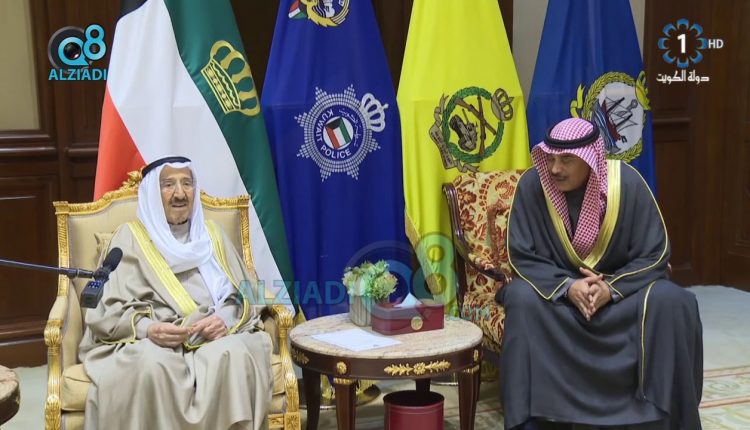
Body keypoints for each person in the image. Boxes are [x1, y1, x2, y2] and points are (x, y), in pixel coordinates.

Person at [495, 118, 703, 430]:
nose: (555, 169)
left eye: (566, 160)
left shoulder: (627, 184)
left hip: (621, 294)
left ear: (591, 158)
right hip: (558, 297)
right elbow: (521, 254)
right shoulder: (533, 186)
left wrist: (611, 289)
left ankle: (661, 415)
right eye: (550, 158)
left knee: (673, 301)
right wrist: (569, 287)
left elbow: (654, 253)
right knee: (522, 299)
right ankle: (535, 420)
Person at [79, 156, 274, 430]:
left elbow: (247, 292)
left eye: (187, 184)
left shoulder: (212, 235)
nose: (180, 194)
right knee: (149, 366)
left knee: (235, 354)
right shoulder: (129, 238)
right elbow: (107, 309)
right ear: (152, 193)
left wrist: (224, 319)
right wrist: (148, 329)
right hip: (152, 340)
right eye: (168, 185)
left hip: (213, 335)